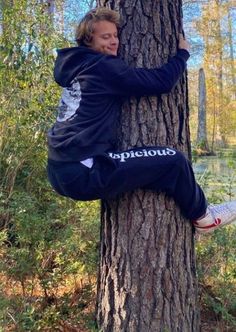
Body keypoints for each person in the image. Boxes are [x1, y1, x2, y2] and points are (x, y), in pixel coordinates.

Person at [47, 7, 236, 234]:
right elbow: (160, 82)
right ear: (88, 40)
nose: (114, 42)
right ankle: (204, 218)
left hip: (61, 170)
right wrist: (183, 55)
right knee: (173, 161)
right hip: (83, 170)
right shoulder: (103, 67)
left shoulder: (78, 66)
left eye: (116, 35)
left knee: (155, 169)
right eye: (105, 37)